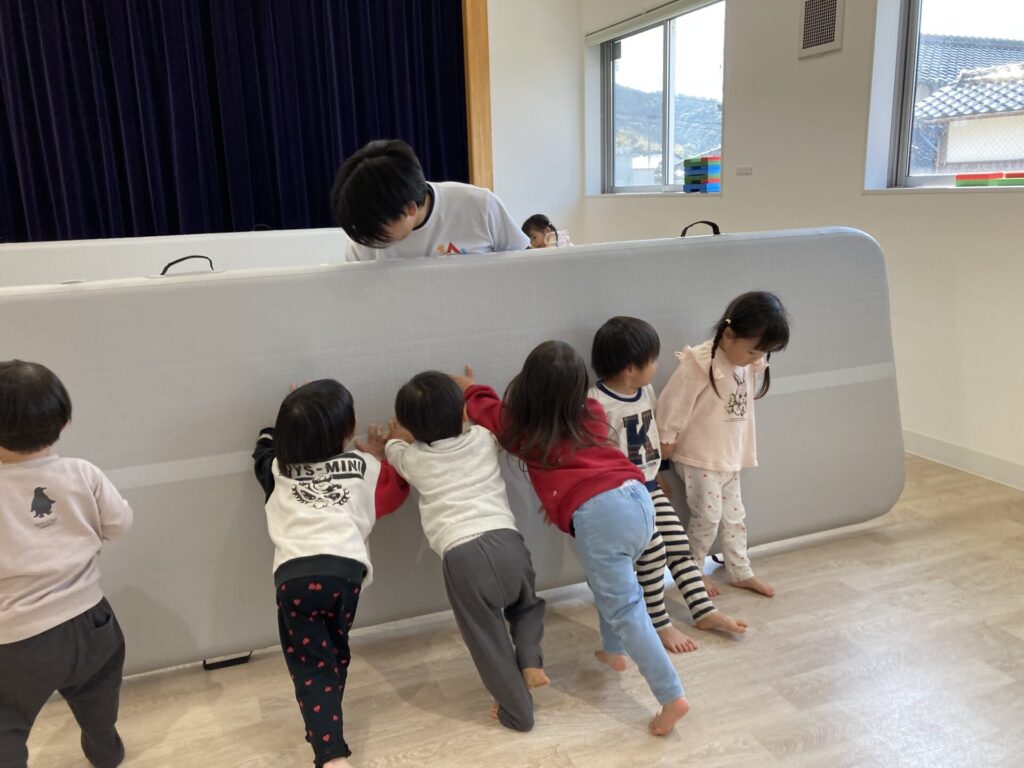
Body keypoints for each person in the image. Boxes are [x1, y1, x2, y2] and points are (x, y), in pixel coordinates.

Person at [454, 343, 689, 736]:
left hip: (600, 514)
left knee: (626, 607)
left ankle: (672, 696)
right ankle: (613, 652)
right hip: (638, 498)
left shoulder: (525, 431)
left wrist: (471, 389)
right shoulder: (592, 413)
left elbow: (488, 412)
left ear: (528, 384)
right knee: (611, 583)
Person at [252, 380, 409, 768]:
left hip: (295, 577)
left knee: (311, 665)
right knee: (333, 654)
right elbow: (396, 492)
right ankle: (325, 725)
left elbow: (262, 446)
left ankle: (330, 750)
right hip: (344, 573)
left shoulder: (277, 468)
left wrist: (292, 408)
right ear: (347, 433)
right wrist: (381, 452)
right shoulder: (364, 467)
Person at [384, 371, 547, 731]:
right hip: (508, 542)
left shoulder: (413, 459)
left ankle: (517, 712)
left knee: (486, 638)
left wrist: (397, 436)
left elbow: (393, 448)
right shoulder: (483, 438)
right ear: (462, 413)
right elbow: (491, 418)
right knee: (527, 605)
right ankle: (530, 659)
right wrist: (471, 388)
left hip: (463, 557)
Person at [0, 360, 133, 768]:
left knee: (7, 723)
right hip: (94, 622)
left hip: (18, 639)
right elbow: (120, 525)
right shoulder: (82, 473)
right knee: (99, 700)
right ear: (64, 420)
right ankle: (106, 751)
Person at [589, 317, 748, 652]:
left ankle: (703, 611)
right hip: (625, 498)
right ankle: (658, 623)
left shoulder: (645, 391)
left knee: (678, 547)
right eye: (652, 360)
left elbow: (651, 436)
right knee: (653, 555)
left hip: (651, 487)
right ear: (630, 368)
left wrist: (659, 472)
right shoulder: (596, 403)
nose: (656, 366)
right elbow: (594, 455)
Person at [656, 292, 790, 598]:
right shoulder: (701, 362)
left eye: (763, 353)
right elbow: (673, 403)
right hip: (699, 455)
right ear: (728, 334)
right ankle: (692, 571)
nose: (757, 359)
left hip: (729, 453)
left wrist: (753, 356)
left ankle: (740, 570)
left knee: (734, 517)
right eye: (753, 351)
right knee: (707, 516)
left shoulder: (748, 361)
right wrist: (666, 440)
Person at [331, 139, 529, 261]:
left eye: (378, 227)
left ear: (409, 208)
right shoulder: (363, 234)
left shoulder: (479, 205)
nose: (370, 239)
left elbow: (522, 264)